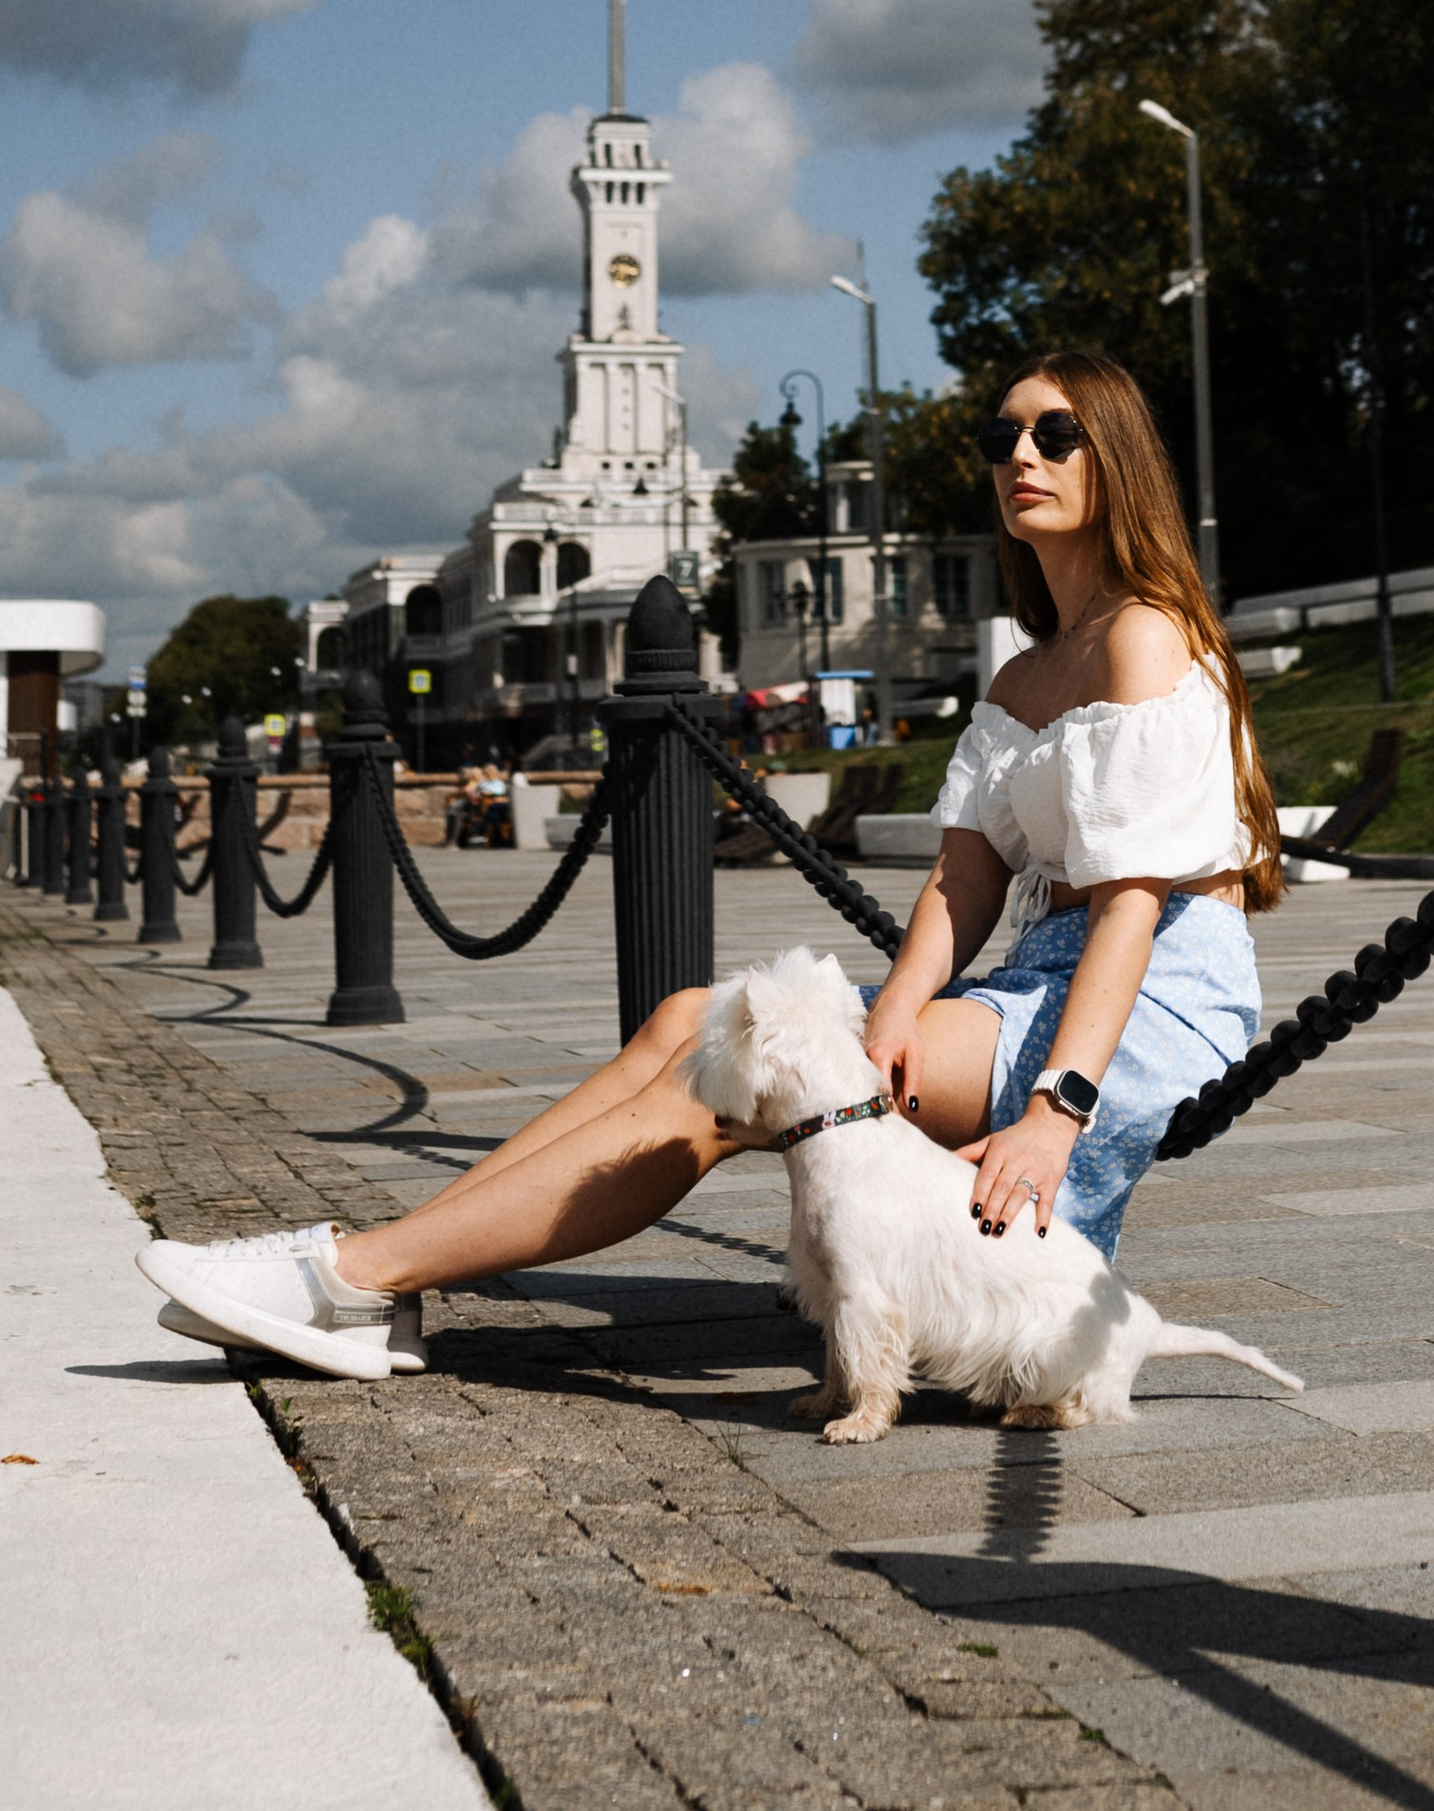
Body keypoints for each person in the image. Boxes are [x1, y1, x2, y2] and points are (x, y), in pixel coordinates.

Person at [137, 347, 1287, 1377]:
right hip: (1046, 978)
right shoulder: (1024, 675)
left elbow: (1134, 902)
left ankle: (348, 1277)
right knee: (687, 1022)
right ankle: (391, 1276)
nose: (1018, 457)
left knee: (740, 1087)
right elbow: (961, 881)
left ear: (1117, 458)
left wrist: (1056, 1112)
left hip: (1147, 999)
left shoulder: (1144, 630)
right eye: (1000, 439)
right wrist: (890, 1012)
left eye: (1053, 434)